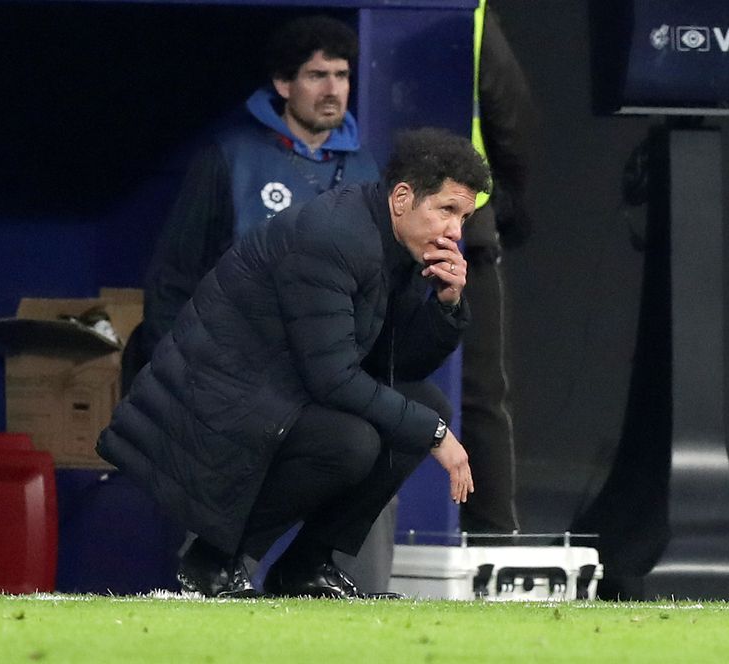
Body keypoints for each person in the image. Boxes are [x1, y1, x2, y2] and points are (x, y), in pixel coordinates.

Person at [97, 128, 491, 599]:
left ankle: (306, 566)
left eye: (464, 217)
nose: (455, 232)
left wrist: (446, 306)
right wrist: (435, 435)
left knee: (424, 405)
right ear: (403, 197)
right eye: (447, 210)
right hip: (215, 403)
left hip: (278, 393)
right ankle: (213, 558)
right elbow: (333, 379)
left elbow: (398, 366)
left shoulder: (398, 243)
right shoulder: (334, 237)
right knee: (353, 441)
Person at [121, 14, 395, 591]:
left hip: (321, 375)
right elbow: (173, 277)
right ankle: (211, 573)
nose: (333, 89)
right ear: (282, 84)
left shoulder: (368, 170)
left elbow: (379, 289)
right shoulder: (230, 158)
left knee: (399, 422)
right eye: (317, 75)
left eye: (342, 75)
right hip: (232, 373)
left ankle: (322, 575)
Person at [458, 0, 535, 535]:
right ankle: (492, 541)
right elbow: (513, 119)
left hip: (389, 221)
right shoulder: (474, 12)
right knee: (481, 396)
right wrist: (508, 198)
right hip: (469, 226)